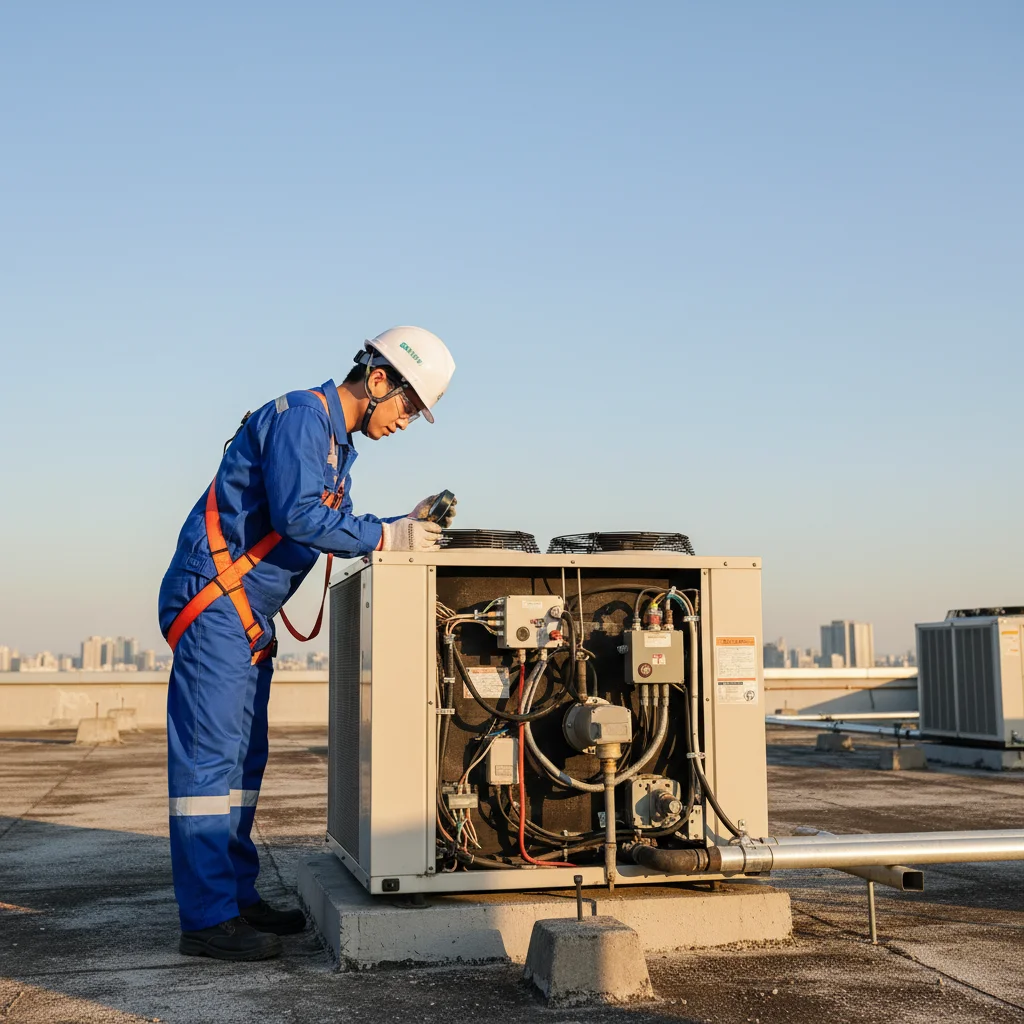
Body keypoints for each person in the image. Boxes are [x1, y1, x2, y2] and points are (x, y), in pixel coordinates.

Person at [158, 326, 456, 961]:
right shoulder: (302, 419)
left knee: (242, 767)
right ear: (377, 380)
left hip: (243, 618)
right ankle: (207, 921)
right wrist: (387, 536)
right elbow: (299, 517)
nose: (407, 421)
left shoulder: (333, 447)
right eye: (408, 405)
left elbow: (322, 520)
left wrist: (398, 525)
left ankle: (235, 899)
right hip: (216, 607)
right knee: (209, 770)